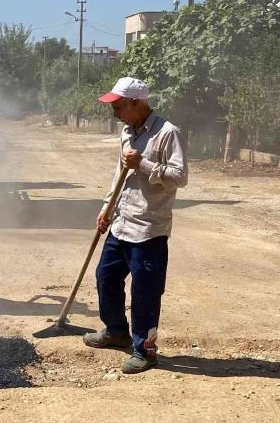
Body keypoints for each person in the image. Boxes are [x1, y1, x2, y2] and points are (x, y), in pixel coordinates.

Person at [83, 77, 188, 374]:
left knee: (145, 292)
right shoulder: (126, 132)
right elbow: (120, 174)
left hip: (149, 229)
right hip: (121, 223)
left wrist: (143, 164)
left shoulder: (168, 133)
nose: (114, 112)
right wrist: (107, 208)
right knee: (106, 278)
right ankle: (116, 331)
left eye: (118, 106)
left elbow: (180, 177)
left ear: (136, 103)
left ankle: (145, 350)